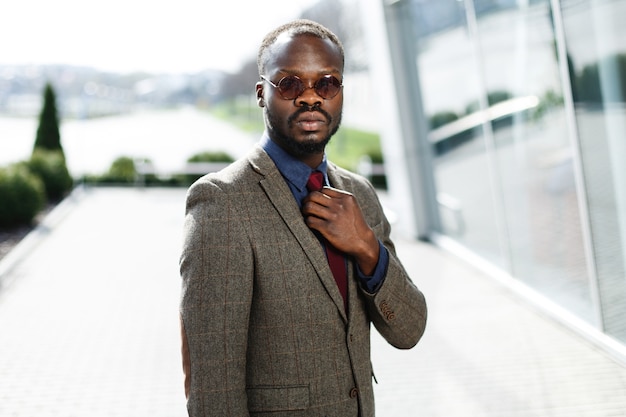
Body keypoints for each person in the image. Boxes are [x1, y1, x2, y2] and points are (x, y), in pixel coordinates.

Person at [179, 19, 427, 417]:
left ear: (341, 92)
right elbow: (213, 390)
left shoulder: (359, 194)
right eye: (291, 84)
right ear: (262, 94)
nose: (310, 98)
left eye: (326, 83)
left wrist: (367, 248)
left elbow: (409, 329)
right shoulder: (221, 203)